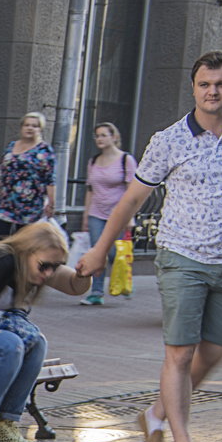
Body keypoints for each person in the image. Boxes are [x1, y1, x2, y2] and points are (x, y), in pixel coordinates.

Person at [78, 50, 222, 442]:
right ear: (193, 87)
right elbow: (132, 199)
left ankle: (154, 415)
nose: (212, 92)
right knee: (181, 353)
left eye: (221, 84)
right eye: (205, 84)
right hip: (180, 255)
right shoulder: (169, 140)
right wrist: (98, 251)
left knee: (215, 351)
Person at [0, 222, 91, 442]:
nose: (49, 273)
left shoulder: (32, 264)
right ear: (27, 252)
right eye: (45, 266)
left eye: (55, 267)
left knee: (37, 343)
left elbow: (73, 286)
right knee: (9, 345)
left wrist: (83, 272)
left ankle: (5, 423)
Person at [79, 122, 136, 306]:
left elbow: (132, 191)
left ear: (114, 137)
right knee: (98, 251)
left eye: (104, 135)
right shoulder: (93, 161)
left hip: (118, 214)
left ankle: (123, 278)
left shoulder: (125, 160)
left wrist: (130, 216)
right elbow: (90, 190)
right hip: (97, 212)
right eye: (97, 136)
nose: (100, 139)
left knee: (113, 254)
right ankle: (96, 292)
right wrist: (86, 215)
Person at [0, 112, 56, 241]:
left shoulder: (44, 150)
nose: (30, 128)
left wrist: (51, 203)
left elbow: (50, 179)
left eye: (34, 126)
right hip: (6, 202)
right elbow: (1, 172)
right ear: (21, 127)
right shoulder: (11, 146)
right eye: (27, 125)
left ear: (40, 129)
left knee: (23, 242)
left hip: (30, 204)